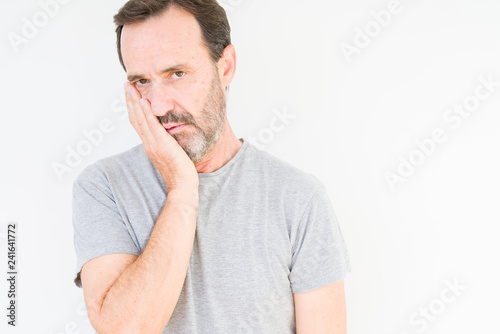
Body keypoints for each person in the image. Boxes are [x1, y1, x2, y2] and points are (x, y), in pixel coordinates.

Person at [72, 0, 350, 333]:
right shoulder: (104, 187)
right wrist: (181, 189)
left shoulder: (298, 198)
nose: (159, 107)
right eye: (142, 82)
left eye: (177, 74)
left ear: (226, 66)